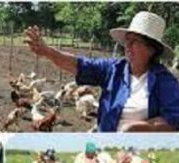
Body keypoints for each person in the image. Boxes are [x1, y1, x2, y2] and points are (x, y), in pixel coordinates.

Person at [24, 11, 179, 132]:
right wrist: (47, 51)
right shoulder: (114, 69)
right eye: (127, 40)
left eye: (135, 41)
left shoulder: (164, 81)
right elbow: (79, 65)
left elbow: (173, 121)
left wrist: (139, 128)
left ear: (151, 49)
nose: (127, 46)